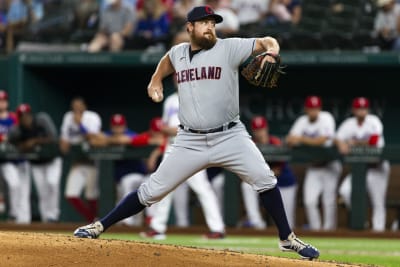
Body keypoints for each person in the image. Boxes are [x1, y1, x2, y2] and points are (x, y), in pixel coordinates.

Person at [73, 5, 319, 260]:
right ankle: (99, 226)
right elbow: (167, 61)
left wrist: (272, 51)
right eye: (204, 22)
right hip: (189, 140)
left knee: (265, 180)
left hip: (230, 136)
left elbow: (267, 40)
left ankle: (286, 238)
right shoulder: (178, 53)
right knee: (150, 192)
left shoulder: (229, 47)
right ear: (190, 27)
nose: (210, 26)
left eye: (213, 22)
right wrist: (155, 79)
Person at [140, 87, 225, 240]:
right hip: (171, 147)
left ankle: (217, 228)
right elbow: (163, 127)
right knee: (163, 187)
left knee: (202, 188)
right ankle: (157, 227)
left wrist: (178, 130)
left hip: (192, 147)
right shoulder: (170, 100)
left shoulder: (199, 97)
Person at [88, 113, 166, 226]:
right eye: (115, 126)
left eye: (120, 126)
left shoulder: (165, 140)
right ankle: (128, 223)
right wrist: (112, 139)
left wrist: (107, 140)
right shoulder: (145, 137)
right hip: (124, 176)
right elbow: (94, 141)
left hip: (139, 173)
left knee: (142, 187)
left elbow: (127, 139)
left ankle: (147, 221)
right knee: (128, 189)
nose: (118, 129)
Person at [286, 96, 342, 231]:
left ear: (320, 109)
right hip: (314, 166)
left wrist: (302, 139)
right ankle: (316, 231)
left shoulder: (326, 118)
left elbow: (322, 140)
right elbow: (289, 140)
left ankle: (329, 231)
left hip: (330, 165)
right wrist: (303, 139)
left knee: (328, 201)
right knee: (309, 201)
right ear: (306, 109)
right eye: (311, 109)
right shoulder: (302, 121)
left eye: (316, 108)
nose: (313, 111)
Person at [336, 97, 390, 232]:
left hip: (377, 167)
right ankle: (362, 220)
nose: (362, 111)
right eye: (359, 108)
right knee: (345, 191)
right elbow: (337, 138)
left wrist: (353, 143)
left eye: (364, 108)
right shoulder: (349, 124)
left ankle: (379, 231)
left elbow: (373, 141)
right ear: (354, 110)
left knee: (378, 201)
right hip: (360, 169)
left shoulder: (374, 122)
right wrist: (341, 143)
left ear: (368, 109)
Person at [240, 115, 297, 229]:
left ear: (266, 129)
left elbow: (277, 171)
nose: (259, 132)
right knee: (246, 186)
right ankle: (256, 223)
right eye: (257, 130)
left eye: (261, 129)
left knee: (288, 222)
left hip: (284, 183)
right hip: (263, 181)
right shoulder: (251, 145)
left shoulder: (275, 142)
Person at [8, 103, 62, 223]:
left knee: (52, 184)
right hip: (37, 163)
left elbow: (53, 137)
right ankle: (46, 219)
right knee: (42, 192)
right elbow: (12, 142)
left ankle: (53, 215)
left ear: (31, 114)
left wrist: (35, 141)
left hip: (52, 160)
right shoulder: (18, 130)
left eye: (27, 115)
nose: (25, 118)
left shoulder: (42, 120)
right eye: (22, 116)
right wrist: (24, 145)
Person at [60, 96, 102, 223]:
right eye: (74, 106)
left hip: (92, 161)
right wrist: (65, 145)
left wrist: (80, 124)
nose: (76, 109)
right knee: (71, 195)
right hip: (77, 162)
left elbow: (93, 139)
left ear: (84, 106)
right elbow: (64, 141)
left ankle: (94, 221)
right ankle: (92, 221)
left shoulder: (92, 117)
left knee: (91, 195)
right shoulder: (68, 117)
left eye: (79, 106)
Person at [0, 90, 31, 224]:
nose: (2, 103)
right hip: (6, 160)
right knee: (13, 185)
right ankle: (13, 215)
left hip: (20, 158)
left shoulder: (14, 117)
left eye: (3, 100)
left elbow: (22, 132)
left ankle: (23, 221)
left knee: (23, 191)